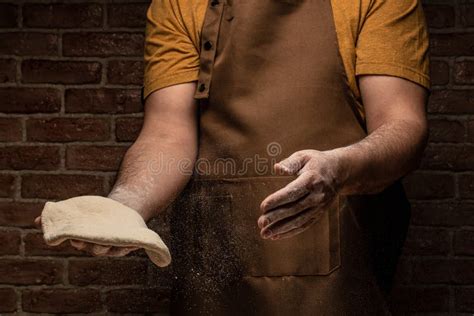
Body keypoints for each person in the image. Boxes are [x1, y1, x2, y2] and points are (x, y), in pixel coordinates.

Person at [36, 0, 430, 314]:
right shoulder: (179, 4)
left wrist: (338, 168)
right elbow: (167, 132)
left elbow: (403, 127)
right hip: (215, 260)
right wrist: (124, 206)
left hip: (342, 263)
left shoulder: (377, 1)